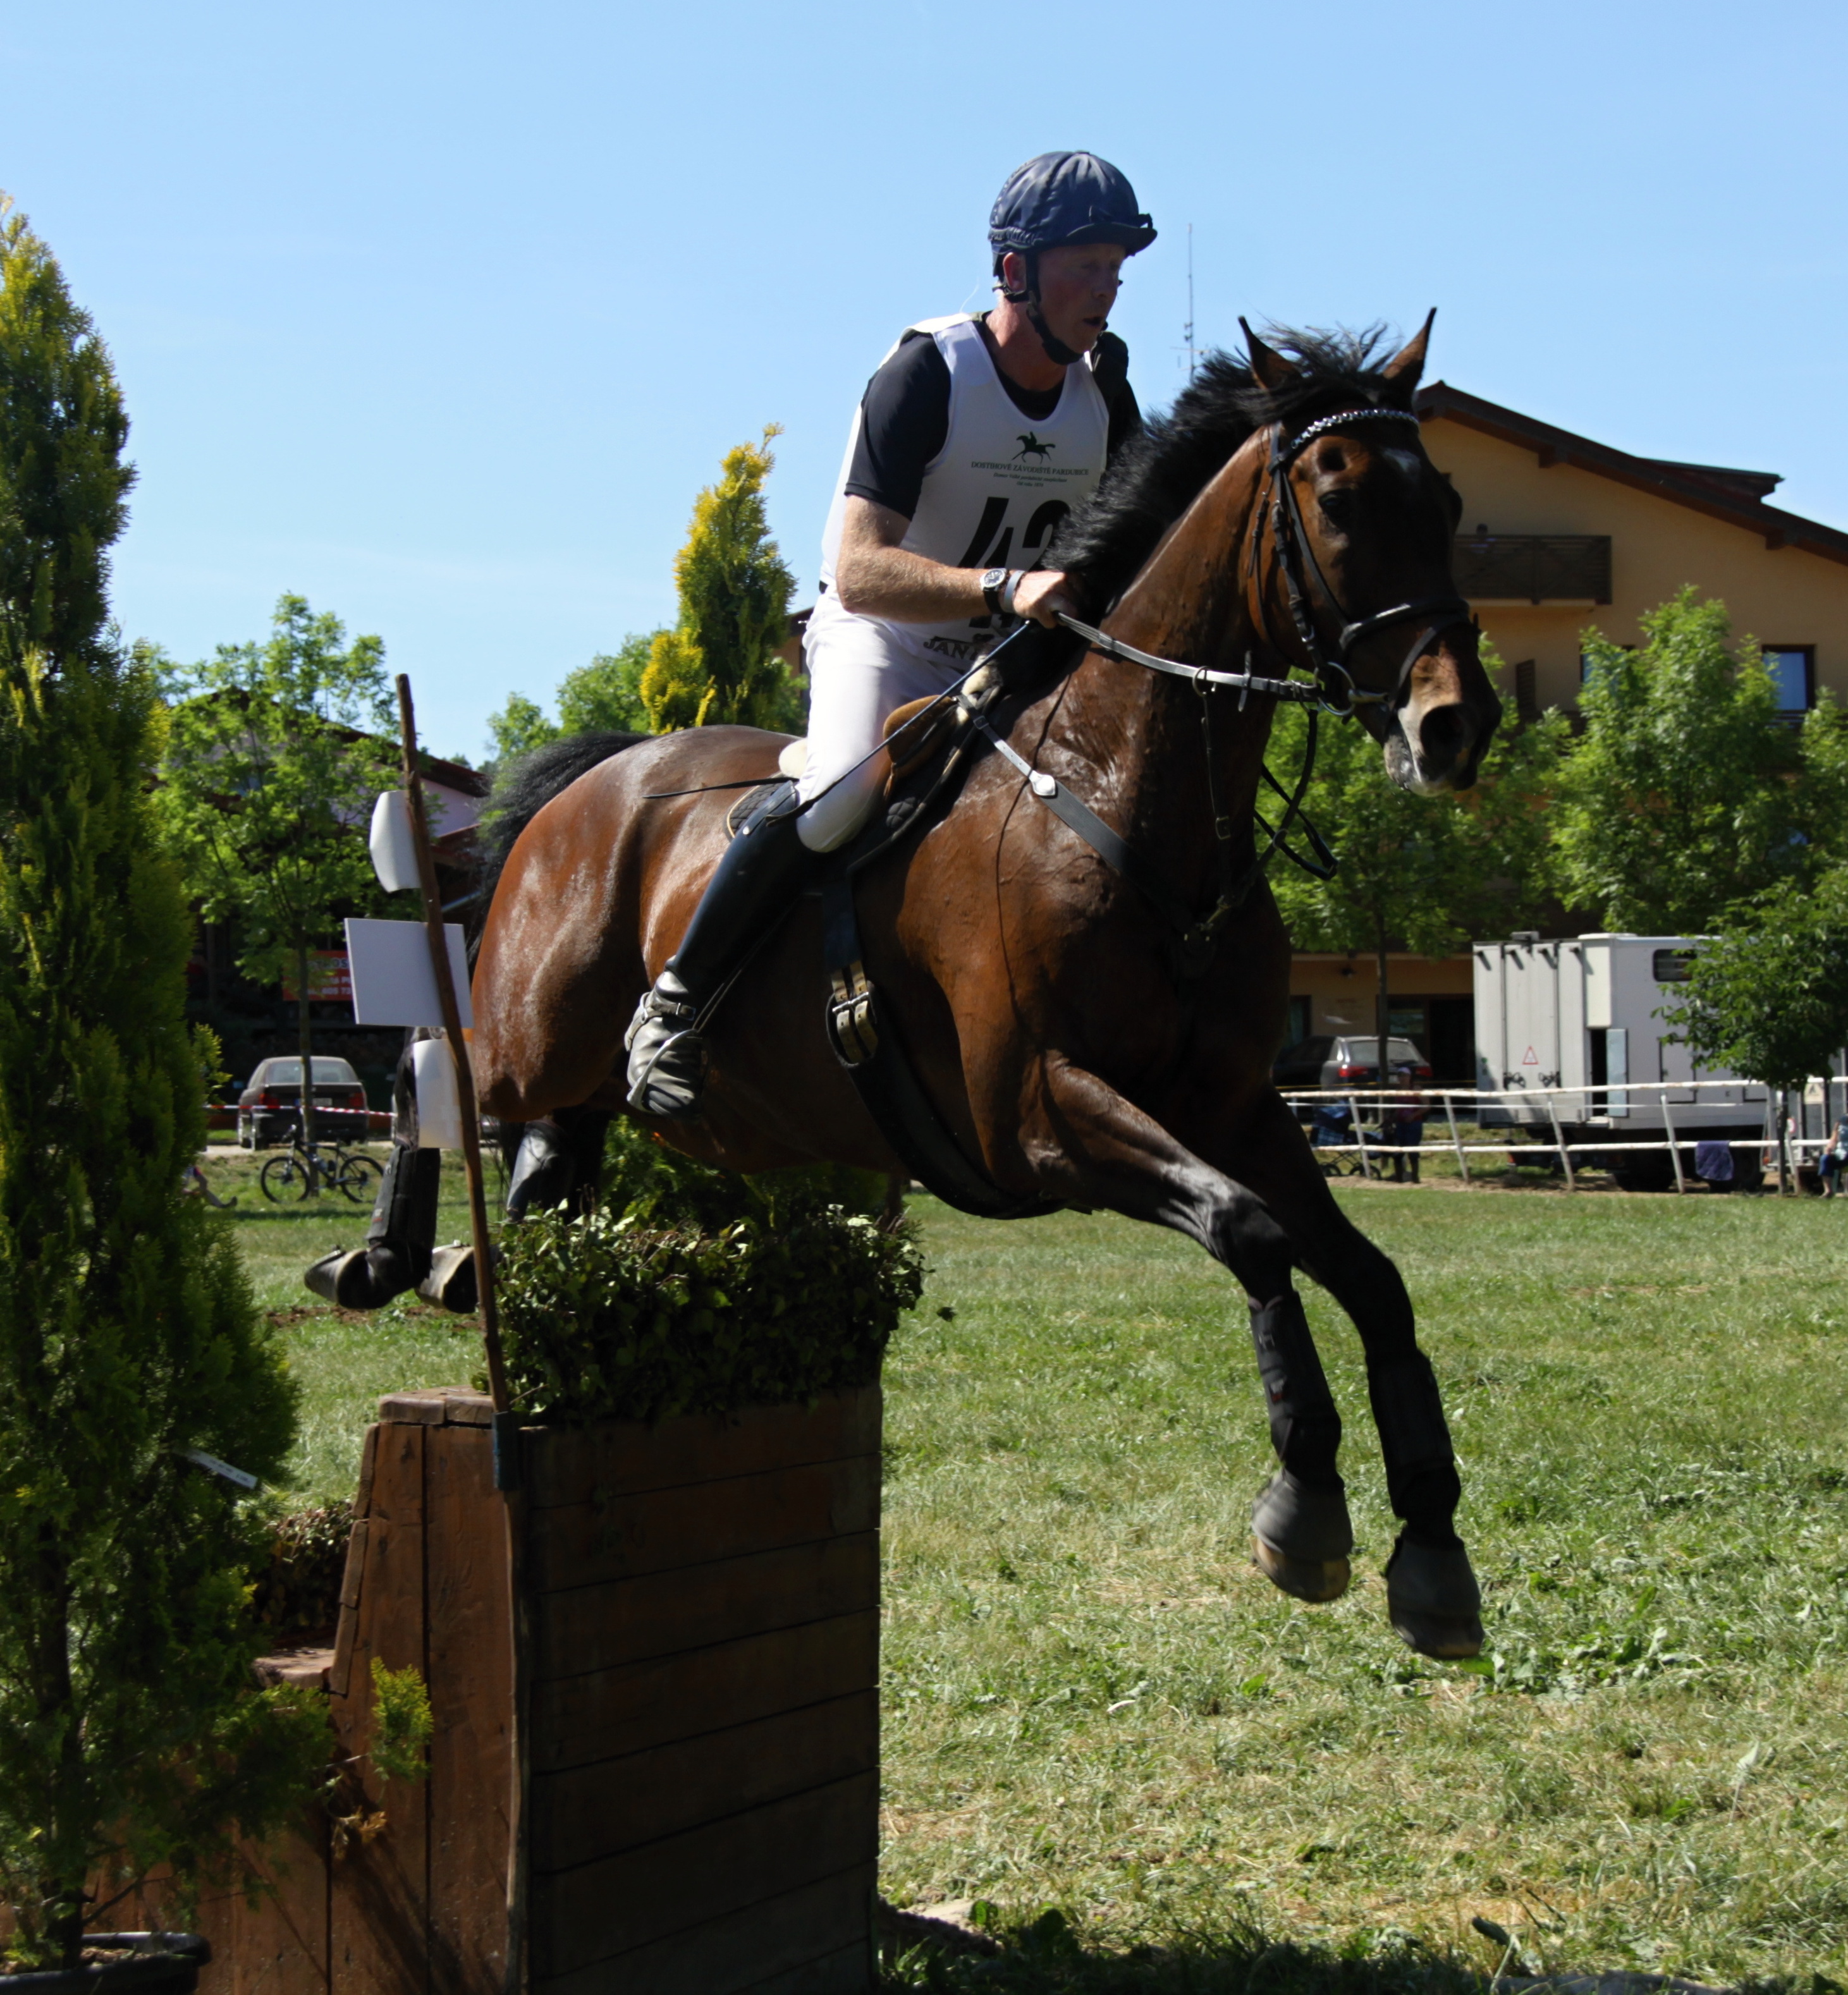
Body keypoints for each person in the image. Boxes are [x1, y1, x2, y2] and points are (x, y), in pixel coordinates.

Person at [624, 151, 1157, 1119]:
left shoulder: (1102, 396)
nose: (1105, 287)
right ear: (1013, 273)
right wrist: (1003, 586)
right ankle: (676, 1001)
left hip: (1008, 653)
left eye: (1116, 266)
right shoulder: (927, 372)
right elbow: (863, 566)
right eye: (1083, 265)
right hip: (885, 636)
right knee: (839, 794)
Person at [1385, 1065, 1428, 1183]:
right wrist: (1391, 1118)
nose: (1402, 1078)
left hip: (1414, 1124)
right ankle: (1399, 1179)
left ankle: (1415, 1178)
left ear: (1409, 1077)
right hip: (1401, 1124)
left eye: (1404, 1075)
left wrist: (1413, 1116)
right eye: (1400, 1076)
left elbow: (1426, 1106)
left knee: (1413, 1151)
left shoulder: (1416, 1089)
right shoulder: (1398, 1092)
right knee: (1398, 1152)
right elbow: (1398, 1109)